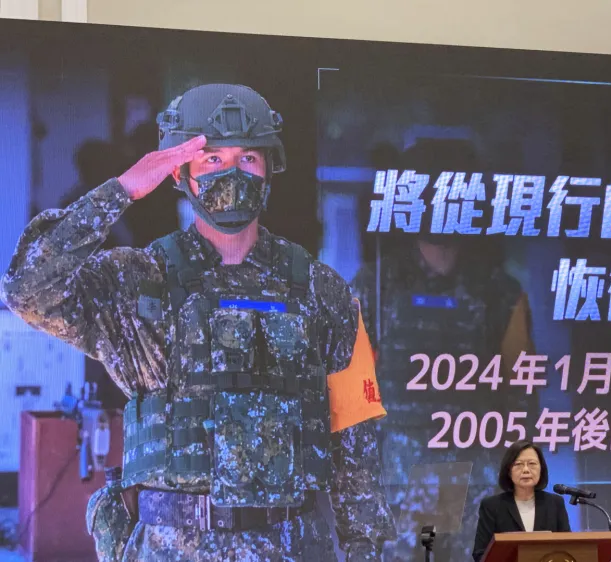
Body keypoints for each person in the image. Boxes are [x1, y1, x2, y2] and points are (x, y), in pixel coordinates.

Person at [0, 83, 394, 561]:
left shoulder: (321, 290)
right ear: (180, 172)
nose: (233, 172)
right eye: (212, 159)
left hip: (294, 545)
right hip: (172, 546)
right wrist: (121, 191)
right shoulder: (138, 281)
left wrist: (365, 552)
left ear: (270, 169)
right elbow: (26, 289)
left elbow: (356, 443)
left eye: (248, 158)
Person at [352, 139, 537, 562]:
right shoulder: (377, 283)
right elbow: (353, 390)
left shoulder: (499, 290)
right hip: (404, 482)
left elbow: (521, 391)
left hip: (480, 482)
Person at [472, 441, 571, 562]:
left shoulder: (555, 503)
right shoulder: (492, 506)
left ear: (541, 469)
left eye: (532, 464)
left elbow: (568, 548)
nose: (525, 470)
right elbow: (480, 553)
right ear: (509, 471)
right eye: (518, 464)